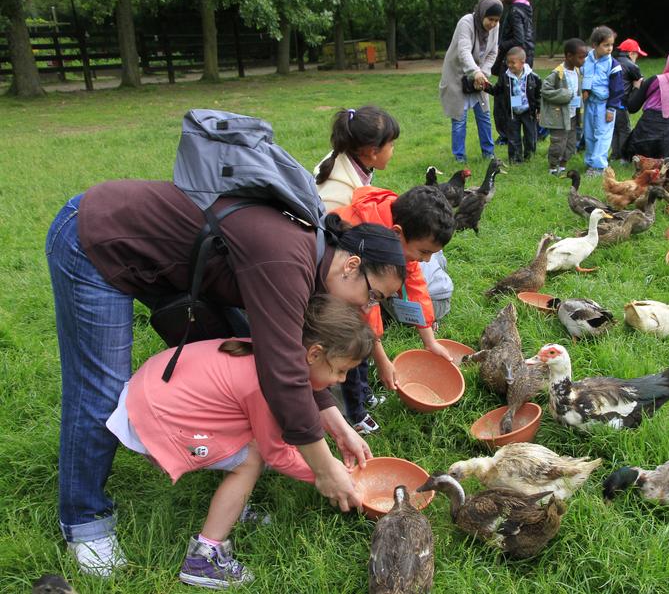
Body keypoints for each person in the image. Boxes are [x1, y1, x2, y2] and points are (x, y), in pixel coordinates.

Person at [46, 177, 407, 576]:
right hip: (98, 238)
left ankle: (230, 490)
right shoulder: (289, 262)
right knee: (100, 391)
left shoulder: (313, 268)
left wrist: (337, 425)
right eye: (374, 296)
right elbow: (284, 370)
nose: (367, 307)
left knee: (239, 391)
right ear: (352, 265)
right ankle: (85, 522)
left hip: (157, 259)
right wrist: (326, 470)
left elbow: (293, 355)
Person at [105, 294, 374, 588]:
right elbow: (277, 454)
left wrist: (341, 432)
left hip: (151, 392)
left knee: (255, 437)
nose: (343, 380)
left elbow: (301, 406)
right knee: (252, 458)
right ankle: (204, 557)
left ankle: (234, 504)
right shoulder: (266, 386)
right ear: (314, 354)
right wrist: (333, 476)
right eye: (340, 370)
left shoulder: (278, 355)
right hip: (156, 422)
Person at [332, 185, 455, 434]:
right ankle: (351, 411)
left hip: (360, 302)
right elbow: (364, 310)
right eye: (424, 252)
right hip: (336, 303)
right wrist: (382, 358)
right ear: (397, 234)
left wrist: (429, 341)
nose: (427, 260)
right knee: (351, 349)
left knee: (364, 347)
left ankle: (363, 394)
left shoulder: (399, 233)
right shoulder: (362, 236)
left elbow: (416, 285)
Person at [440, 0, 502, 163]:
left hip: (479, 75)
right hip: (458, 75)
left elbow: (492, 53)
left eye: (497, 20)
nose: (493, 24)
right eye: (490, 19)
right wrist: (475, 72)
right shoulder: (466, 23)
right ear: (482, 14)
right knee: (459, 119)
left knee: (484, 116)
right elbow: (464, 51)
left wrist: (483, 73)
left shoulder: (495, 28)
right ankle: (460, 158)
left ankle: (488, 154)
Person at [623, 48, 669, 171]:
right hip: (667, 143)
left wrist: (636, 88)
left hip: (641, 140)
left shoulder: (655, 81)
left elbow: (632, 107)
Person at [314, 106, 400, 212]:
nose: (393, 148)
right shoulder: (339, 199)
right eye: (391, 144)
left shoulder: (344, 159)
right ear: (373, 152)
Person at [490, 0, 535, 145]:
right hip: (524, 60)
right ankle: (518, 133)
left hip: (512, 61)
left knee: (503, 100)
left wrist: (500, 46)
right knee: (517, 97)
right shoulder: (526, 8)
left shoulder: (515, 11)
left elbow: (519, 39)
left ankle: (506, 136)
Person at [540, 38, 588, 175]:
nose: (583, 60)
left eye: (584, 57)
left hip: (573, 115)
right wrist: (565, 95)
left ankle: (563, 164)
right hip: (559, 116)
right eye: (580, 57)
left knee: (571, 142)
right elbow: (545, 90)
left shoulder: (578, 71)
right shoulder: (558, 73)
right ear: (569, 56)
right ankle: (553, 166)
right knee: (558, 143)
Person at [581, 26, 625, 177]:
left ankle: (599, 166)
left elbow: (617, 89)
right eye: (606, 45)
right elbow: (583, 76)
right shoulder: (587, 60)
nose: (609, 48)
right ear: (595, 45)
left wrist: (611, 109)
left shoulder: (613, 65)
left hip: (604, 104)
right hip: (589, 103)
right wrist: (584, 91)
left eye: (611, 45)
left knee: (602, 134)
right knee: (589, 132)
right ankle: (590, 161)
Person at [488, 47, 541, 163]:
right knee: (513, 137)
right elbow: (497, 91)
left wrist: (539, 110)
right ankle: (515, 158)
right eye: (508, 62)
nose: (510, 65)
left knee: (530, 136)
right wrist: (486, 87)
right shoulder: (505, 77)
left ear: (522, 62)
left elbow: (538, 95)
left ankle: (530, 156)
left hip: (528, 111)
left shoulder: (534, 77)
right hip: (512, 112)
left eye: (513, 63)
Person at [610, 38, 646, 163]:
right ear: (631, 53)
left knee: (614, 129)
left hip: (609, 103)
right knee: (624, 129)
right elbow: (641, 83)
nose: (638, 58)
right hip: (621, 103)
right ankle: (624, 157)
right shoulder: (632, 65)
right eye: (637, 55)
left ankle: (615, 155)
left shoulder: (613, 61)